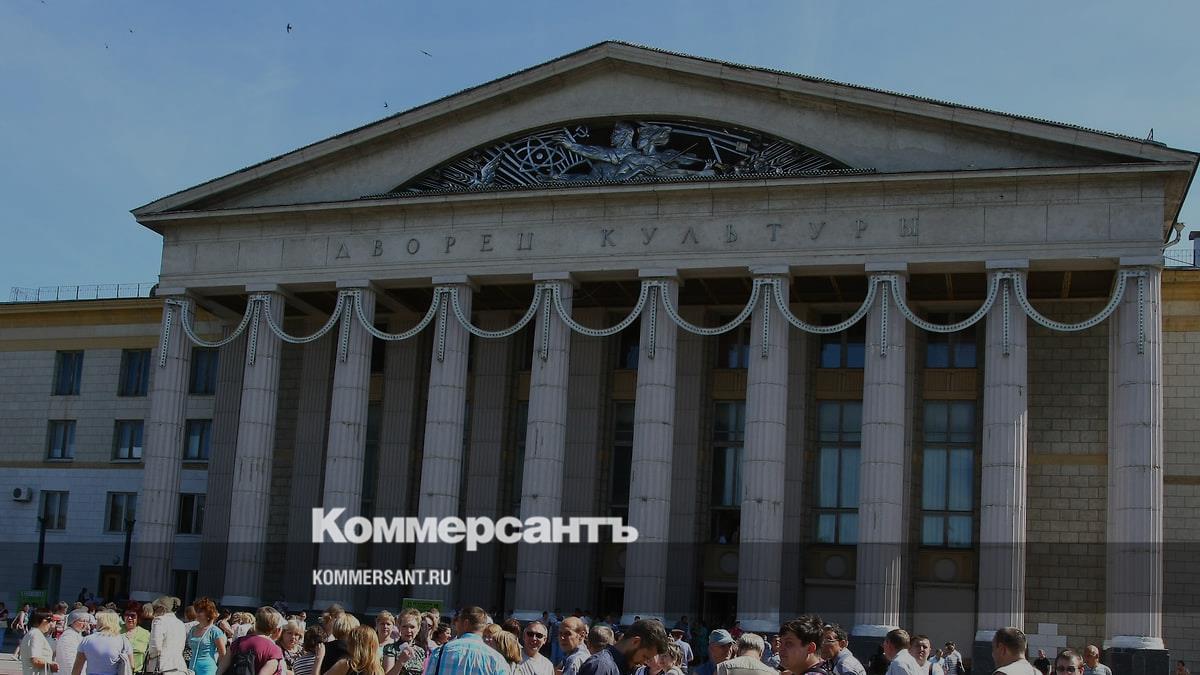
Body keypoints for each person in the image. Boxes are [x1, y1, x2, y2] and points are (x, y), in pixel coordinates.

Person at [422, 607, 507, 675]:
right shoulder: (496, 659)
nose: (455, 626)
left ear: (466, 623)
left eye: (458, 621)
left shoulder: (441, 652)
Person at [578, 619, 671, 675]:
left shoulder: (624, 668)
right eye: (644, 657)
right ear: (635, 641)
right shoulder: (601, 667)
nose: (643, 663)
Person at [217, 607, 285, 675]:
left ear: (256, 622)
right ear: (275, 629)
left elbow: (220, 670)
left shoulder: (237, 642)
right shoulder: (274, 650)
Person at [186, 598, 227, 675]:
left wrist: (220, 671)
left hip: (208, 670)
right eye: (197, 610)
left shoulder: (215, 631)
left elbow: (222, 654)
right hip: (191, 668)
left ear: (208, 613)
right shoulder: (193, 629)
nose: (197, 613)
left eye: (200, 611)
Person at [147, 596, 187, 675]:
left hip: (163, 667)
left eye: (155, 609)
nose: (154, 612)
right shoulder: (181, 623)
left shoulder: (159, 620)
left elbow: (155, 647)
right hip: (180, 667)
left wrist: (149, 657)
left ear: (162, 608)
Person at [382, 609, 423, 675]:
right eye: (404, 626)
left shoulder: (420, 651)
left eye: (412, 627)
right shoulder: (391, 649)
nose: (408, 630)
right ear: (399, 627)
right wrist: (400, 661)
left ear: (418, 628)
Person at [55, 610, 92, 675]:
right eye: (82, 621)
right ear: (72, 622)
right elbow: (69, 661)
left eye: (87, 621)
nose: (85, 624)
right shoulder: (68, 637)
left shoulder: (76, 635)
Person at [120, 608, 150, 673]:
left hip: (138, 672)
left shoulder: (146, 634)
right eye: (127, 615)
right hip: (118, 671)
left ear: (138, 617)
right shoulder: (116, 630)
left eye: (132, 615)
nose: (129, 618)